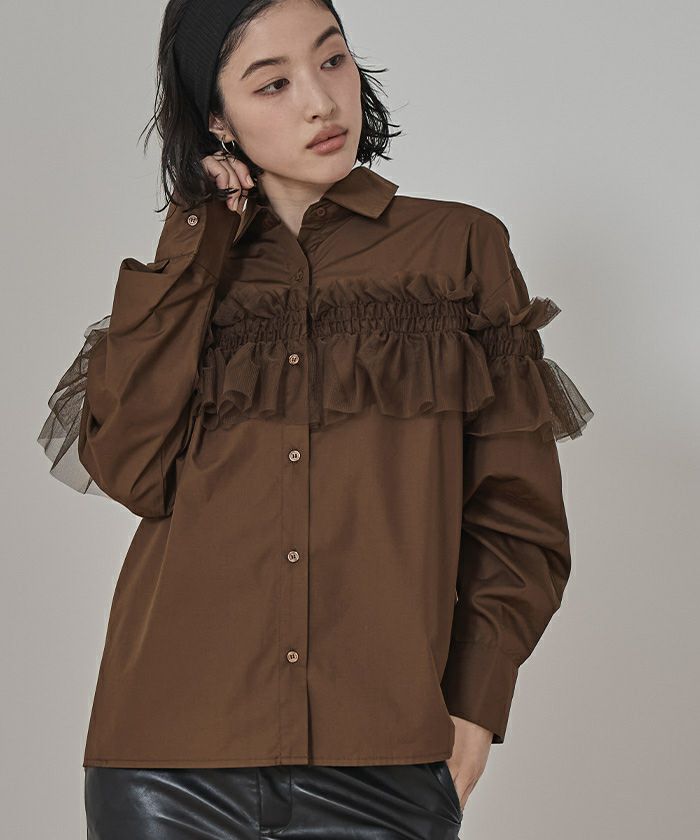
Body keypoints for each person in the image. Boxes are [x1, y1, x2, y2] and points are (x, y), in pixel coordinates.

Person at [37, 0, 594, 837]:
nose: (321, 102)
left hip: (385, 762)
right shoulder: (190, 270)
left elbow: (518, 520)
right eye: (273, 83)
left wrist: (475, 709)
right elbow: (129, 469)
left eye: (332, 60)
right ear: (217, 119)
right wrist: (196, 239)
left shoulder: (458, 249)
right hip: (165, 761)